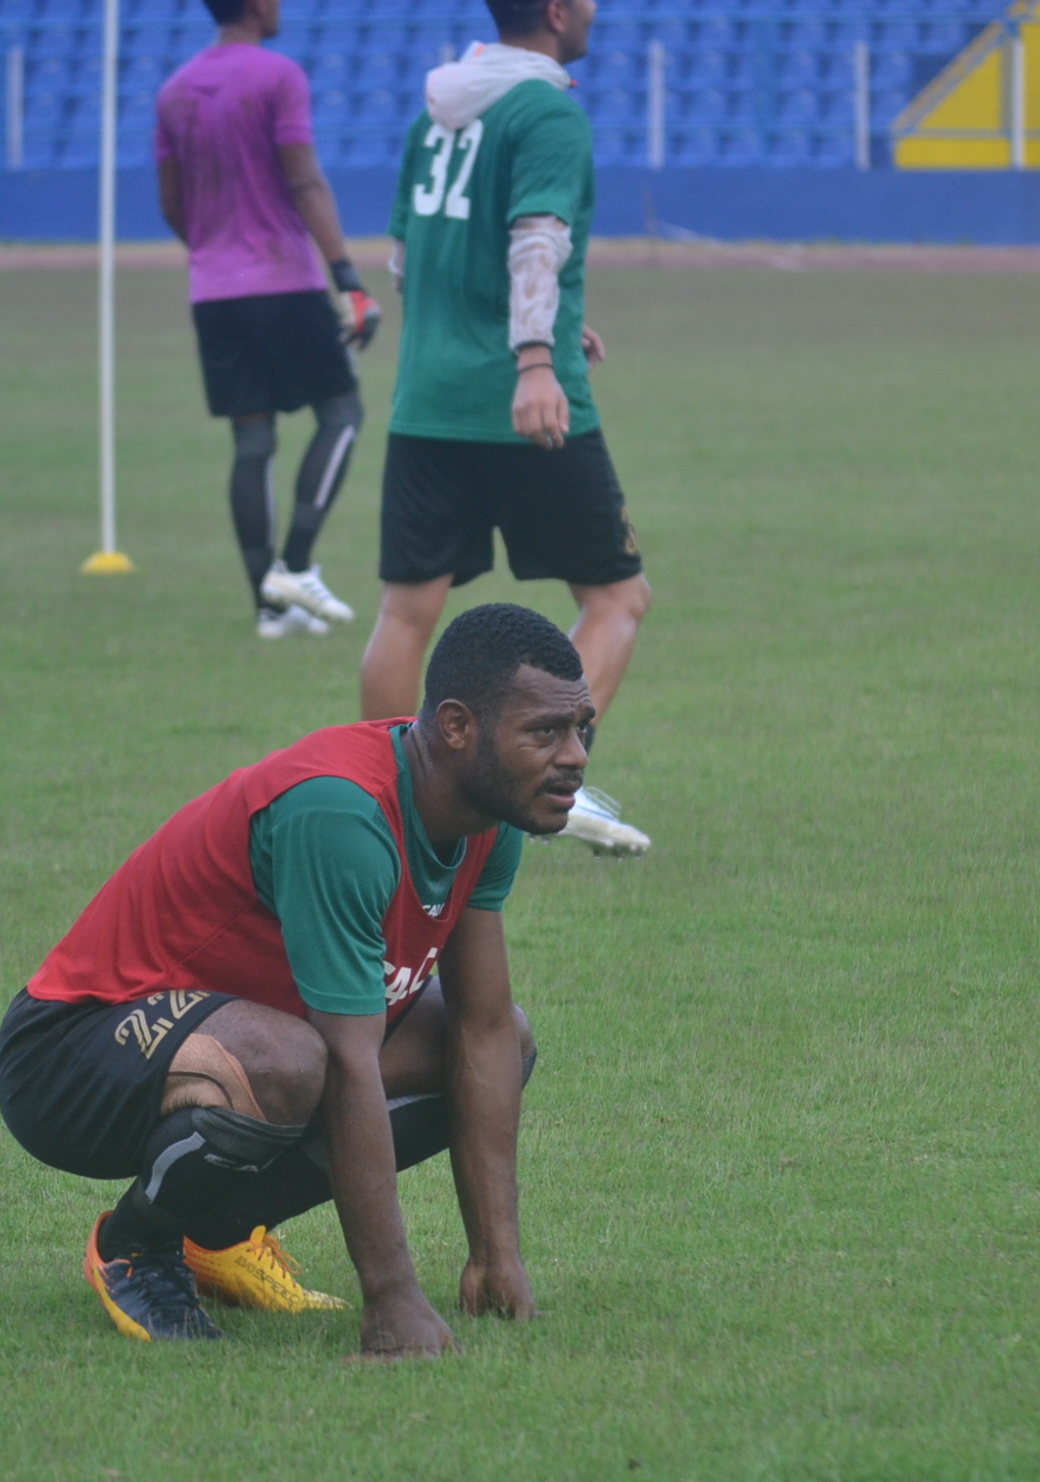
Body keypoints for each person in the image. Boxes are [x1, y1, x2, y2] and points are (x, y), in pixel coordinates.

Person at [0, 603, 581, 1357]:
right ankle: (136, 1245)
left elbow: (484, 1028)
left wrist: (497, 1254)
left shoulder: (486, 816)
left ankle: (220, 1234)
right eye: (546, 732)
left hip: (241, 1047)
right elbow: (344, 1060)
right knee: (296, 1062)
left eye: (580, 728)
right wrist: (392, 1301)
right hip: (66, 1052)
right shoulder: (339, 813)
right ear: (458, 726)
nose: (575, 755)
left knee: (496, 1045)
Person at [359, 0, 654, 858]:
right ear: (558, 11)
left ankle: (387, 806)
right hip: (519, 400)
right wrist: (534, 356)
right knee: (616, 598)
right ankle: (550, 780)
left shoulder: (437, 109)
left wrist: (560, 325)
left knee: (406, 609)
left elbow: (411, 260)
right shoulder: (548, 112)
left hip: (427, 396)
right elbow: (535, 240)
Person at [156, 0, 381, 641]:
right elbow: (305, 181)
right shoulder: (277, 75)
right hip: (284, 277)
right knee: (342, 414)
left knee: (252, 445)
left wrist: (212, 251)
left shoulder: (174, 90)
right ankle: (298, 564)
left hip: (214, 290)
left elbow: (172, 201)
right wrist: (349, 279)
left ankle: (268, 607)